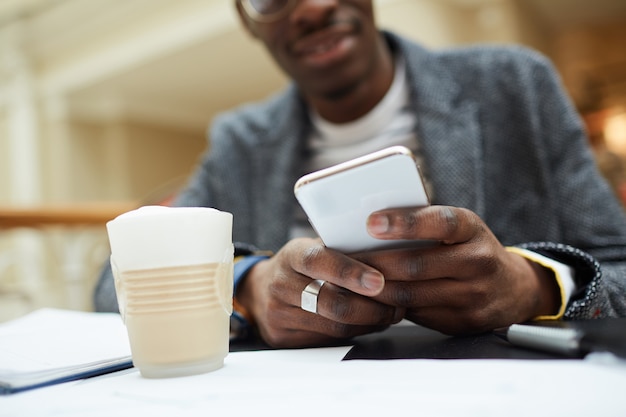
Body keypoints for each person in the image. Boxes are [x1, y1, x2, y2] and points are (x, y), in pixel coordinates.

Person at [95, 0, 626, 348]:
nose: (313, 8)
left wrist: (532, 285)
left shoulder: (514, 84)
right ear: (247, 21)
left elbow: (618, 264)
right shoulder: (242, 142)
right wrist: (247, 288)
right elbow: (112, 283)